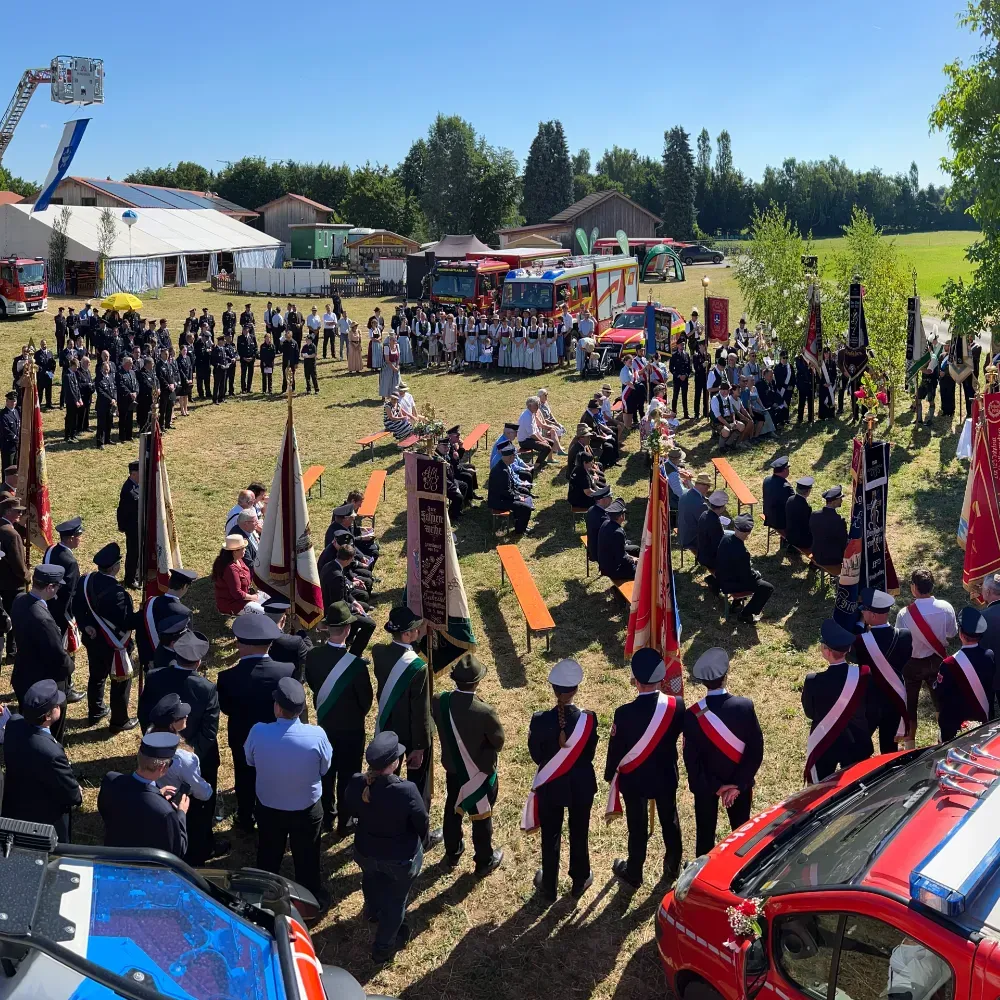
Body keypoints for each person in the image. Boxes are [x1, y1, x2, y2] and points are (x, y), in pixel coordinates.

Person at [246, 677, 332, 906]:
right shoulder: (317, 735)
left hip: (269, 806)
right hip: (306, 809)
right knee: (307, 856)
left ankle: (263, 895)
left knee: (268, 852)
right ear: (302, 708)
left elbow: (250, 760)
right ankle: (310, 898)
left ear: (277, 707)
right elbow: (325, 768)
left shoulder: (258, 732)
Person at [344, 731, 429, 964]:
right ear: (395, 763)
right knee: (396, 903)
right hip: (399, 859)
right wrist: (425, 841)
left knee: (371, 879)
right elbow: (422, 823)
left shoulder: (356, 782)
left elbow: (350, 810)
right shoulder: (406, 790)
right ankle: (383, 947)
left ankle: (372, 911)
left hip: (365, 852)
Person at [139, 630, 223, 863]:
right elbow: (209, 731)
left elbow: (145, 714)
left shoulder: (155, 676)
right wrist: (190, 754)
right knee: (202, 807)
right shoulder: (206, 688)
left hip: (158, 754)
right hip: (198, 756)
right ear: (199, 661)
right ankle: (201, 847)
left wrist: (157, 745)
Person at [606, 648, 685, 889]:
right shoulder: (677, 706)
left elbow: (616, 750)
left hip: (635, 780)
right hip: (664, 775)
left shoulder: (624, 713)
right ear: (661, 679)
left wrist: (610, 776)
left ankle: (634, 871)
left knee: (637, 827)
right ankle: (673, 866)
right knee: (669, 821)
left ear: (635, 681)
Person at [524, 659, 598, 902]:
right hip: (580, 785)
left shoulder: (539, 719)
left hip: (551, 785)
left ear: (554, 689)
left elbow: (536, 755)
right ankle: (580, 879)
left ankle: (549, 885)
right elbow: (589, 755)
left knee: (551, 834)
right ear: (576, 689)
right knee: (579, 832)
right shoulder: (589, 719)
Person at [371, 606, 442, 849]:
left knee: (387, 781)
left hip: (388, 728)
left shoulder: (379, 653)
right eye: (415, 629)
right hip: (411, 737)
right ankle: (420, 836)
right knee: (417, 787)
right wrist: (420, 747)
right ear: (408, 635)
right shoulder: (418, 668)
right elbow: (420, 712)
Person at [217, 611, 295, 832]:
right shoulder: (286, 670)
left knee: (244, 775)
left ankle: (245, 816)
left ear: (243, 645)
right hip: (276, 737)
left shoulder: (227, 677)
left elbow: (226, 708)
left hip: (242, 735)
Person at [683, 648, 764, 856]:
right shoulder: (745, 706)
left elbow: (691, 762)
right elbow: (755, 751)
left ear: (702, 681)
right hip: (740, 785)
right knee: (741, 833)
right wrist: (739, 784)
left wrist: (716, 787)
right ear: (726, 675)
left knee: (705, 836)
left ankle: (701, 876)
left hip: (706, 786)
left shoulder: (693, 715)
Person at [431, 654, 505, 876]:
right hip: (479, 773)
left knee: (452, 812)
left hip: (453, 770)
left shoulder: (439, 701)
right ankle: (484, 861)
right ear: (477, 682)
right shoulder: (485, 712)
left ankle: (452, 854)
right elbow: (498, 742)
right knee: (481, 817)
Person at [305, 602, 372, 836]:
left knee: (326, 772)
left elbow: (313, 685)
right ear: (347, 630)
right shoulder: (356, 665)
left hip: (325, 725)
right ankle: (345, 821)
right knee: (349, 775)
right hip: (352, 728)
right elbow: (366, 701)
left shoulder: (312, 656)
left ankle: (327, 817)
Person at [1, 679, 80, 842]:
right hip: (45, 820)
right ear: (47, 716)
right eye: (56, 705)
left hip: (15, 807)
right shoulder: (52, 752)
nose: (59, 706)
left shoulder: (14, 723)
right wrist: (78, 794)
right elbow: (71, 793)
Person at [74, 542, 138, 733]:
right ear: (114, 567)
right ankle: (119, 720)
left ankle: (96, 710)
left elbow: (77, 606)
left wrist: (85, 625)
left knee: (97, 676)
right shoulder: (118, 595)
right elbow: (126, 623)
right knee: (120, 681)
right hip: (113, 645)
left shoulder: (85, 581)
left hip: (93, 641)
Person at [802, 619, 873, 783]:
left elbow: (810, 713)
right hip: (857, 741)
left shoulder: (813, 681)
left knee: (820, 790)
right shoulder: (864, 674)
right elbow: (870, 707)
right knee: (857, 787)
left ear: (826, 651)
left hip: (826, 743)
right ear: (848, 649)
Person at [10, 565, 74, 744]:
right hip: (45, 681)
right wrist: (70, 665)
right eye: (57, 586)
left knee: (28, 723)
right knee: (51, 730)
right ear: (50, 587)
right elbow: (57, 655)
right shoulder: (43, 619)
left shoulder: (19, 600)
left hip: (23, 675)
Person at [98, 731, 189, 855]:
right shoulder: (166, 812)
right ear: (162, 767)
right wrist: (181, 813)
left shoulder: (110, 780)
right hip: (145, 867)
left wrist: (157, 794)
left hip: (113, 855)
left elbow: (106, 812)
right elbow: (178, 849)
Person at [895, 567, 958, 749]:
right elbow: (952, 633)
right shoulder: (946, 608)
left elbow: (901, 642)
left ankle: (909, 748)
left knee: (910, 707)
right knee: (939, 702)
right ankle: (943, 739)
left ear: (914, 587)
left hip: (912, 665)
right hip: (937, 661)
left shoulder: (904, 615)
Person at [852, 588, 912, 754]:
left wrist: (858, 625)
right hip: (894, 699)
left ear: (872, 615)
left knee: (861, 748)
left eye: (864, 610)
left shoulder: (860, 641)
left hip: (869, 701)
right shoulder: (905, 636)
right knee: (889, 750)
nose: (862, 613)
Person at [933, 606, 995, 742]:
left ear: (961, 634)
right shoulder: (989, 655)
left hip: (956, 725)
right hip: (983, 720)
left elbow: (941, 696)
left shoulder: (949, 664)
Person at [715, 514, 773, 624]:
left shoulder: (726, 537)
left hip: (721, 576)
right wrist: (757, 574)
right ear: (748, 533)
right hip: (730, 583)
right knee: (767, 588)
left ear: (735, 528)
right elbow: (746, 576)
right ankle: (746, 614)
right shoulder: (742, 552)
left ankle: (736, 604)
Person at [0, 498, 29, 662]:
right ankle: (12, 652)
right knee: (15, 617)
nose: (20, 513)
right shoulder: (11, 535)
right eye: (17, 511)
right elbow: (18, 564)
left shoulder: (3, 529)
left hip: (2, 583)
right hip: (14, 584)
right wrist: (27, 576)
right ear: (8, 512)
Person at [488, 440, 534, 534]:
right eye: (514, 456)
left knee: (527, 497)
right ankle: (520, 530)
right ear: (509, 457)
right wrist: (518, 497)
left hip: (504, 496)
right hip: (499, 501)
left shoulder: (504, 465)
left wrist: (519, 495)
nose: (515, 458)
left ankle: (519, 521)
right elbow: (506, 491)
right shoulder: (502, 471)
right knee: (525, 507)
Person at [212, 535, 257, 615]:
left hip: (244, 597)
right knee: (265, 613)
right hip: (233, 603)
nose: (245, 550)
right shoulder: (230, 569)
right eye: (243, 548)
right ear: (235, 552)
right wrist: (253, 597)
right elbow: (237, 593)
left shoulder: (238, 560)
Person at [809, 485, 848, 572]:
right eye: (840, 498)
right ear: (833, 502)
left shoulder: (814, 515)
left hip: (816, 553)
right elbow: (844, 542)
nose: (841, 500)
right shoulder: (839, 521)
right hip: (832, 559)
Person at [696, 490, 729, 591]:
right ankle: (716, 583)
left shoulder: (704, 514)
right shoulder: (714, 523)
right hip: (710, 558)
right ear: (722, 507)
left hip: (702, 553)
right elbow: (718, 547)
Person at [598, 498, 637, 581]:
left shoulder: (606, 523)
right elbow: (621, 558)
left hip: (605, 563)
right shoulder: (618, 533)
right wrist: (633, 560)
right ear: (621, 517)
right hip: (613, 569)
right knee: (641, 571)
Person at [117, 460, 141, 588]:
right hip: (132, 528)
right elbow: (122, 510)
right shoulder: (129, 490)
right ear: (133, 474)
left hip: (137, 525)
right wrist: (122, 526)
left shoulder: (137, 485)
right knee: (133, 553)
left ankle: (136, 574)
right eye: (139, 472)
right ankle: (130, 579)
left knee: (137, 552)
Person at [517, 396, 552, 476]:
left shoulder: (531, 413)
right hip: (524, 441)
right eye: (536, 405)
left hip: (531, 438)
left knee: (551, 442)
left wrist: (542, 439)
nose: (538, 407)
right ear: (529, 406)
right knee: (547, 447)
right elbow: (532, 434)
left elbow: (535, 430)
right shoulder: (526, 416)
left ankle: (541, 462)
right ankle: (536, 466)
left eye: (538, 405)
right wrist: (542, 441)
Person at [678, 472, 711, 553]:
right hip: (692, 539)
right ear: (705, 486)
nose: (708, 489)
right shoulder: (701, 504)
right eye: (708, 486)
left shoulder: (685, 493)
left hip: (682, 533)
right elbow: (707, 525)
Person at [762, 456, 794, 536]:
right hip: (780, 522)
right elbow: (793, 505)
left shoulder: (767, 479)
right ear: (785, 470)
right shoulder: (786, 487)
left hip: (769, 517)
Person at [784, 476, 815, 553]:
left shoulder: (790, 499)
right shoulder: (806, 507)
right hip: (802, 541)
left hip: (789, 536)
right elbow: (808, 526)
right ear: (808, 491)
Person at [0, 391, 19, 472]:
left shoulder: (16, 412)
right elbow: (6, 431)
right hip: (7, 446)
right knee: (8, 468)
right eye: (11, 401)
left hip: (16, 446)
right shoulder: (3, 415)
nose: (13, 403)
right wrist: (17, 439)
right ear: (6, 401)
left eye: (14, 401)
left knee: (16, 467)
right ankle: (5, 484)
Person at [795, 349, 815, 424]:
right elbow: (801, 369)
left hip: (810, 383)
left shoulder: (811, 358)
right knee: (801, 402)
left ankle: (811, 417)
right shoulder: (798, 359)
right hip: (802, 384)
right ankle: (800, 418)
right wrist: (809, 366)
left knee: (810, 401)